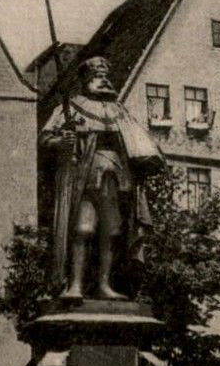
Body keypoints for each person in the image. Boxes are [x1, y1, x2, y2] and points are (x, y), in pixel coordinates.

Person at [38, 55, 165, 300]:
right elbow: (44, 139)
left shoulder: (120, 111)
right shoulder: (71, 106)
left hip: (118, 178)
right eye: (98, 76)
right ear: (86, 79)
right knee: (84, 228)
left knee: (113, 231)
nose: (104, 81)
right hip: (84, 177)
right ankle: (74, 284)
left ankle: (104, 285)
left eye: (106, 76)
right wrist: (62, 141)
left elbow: (141, 145)